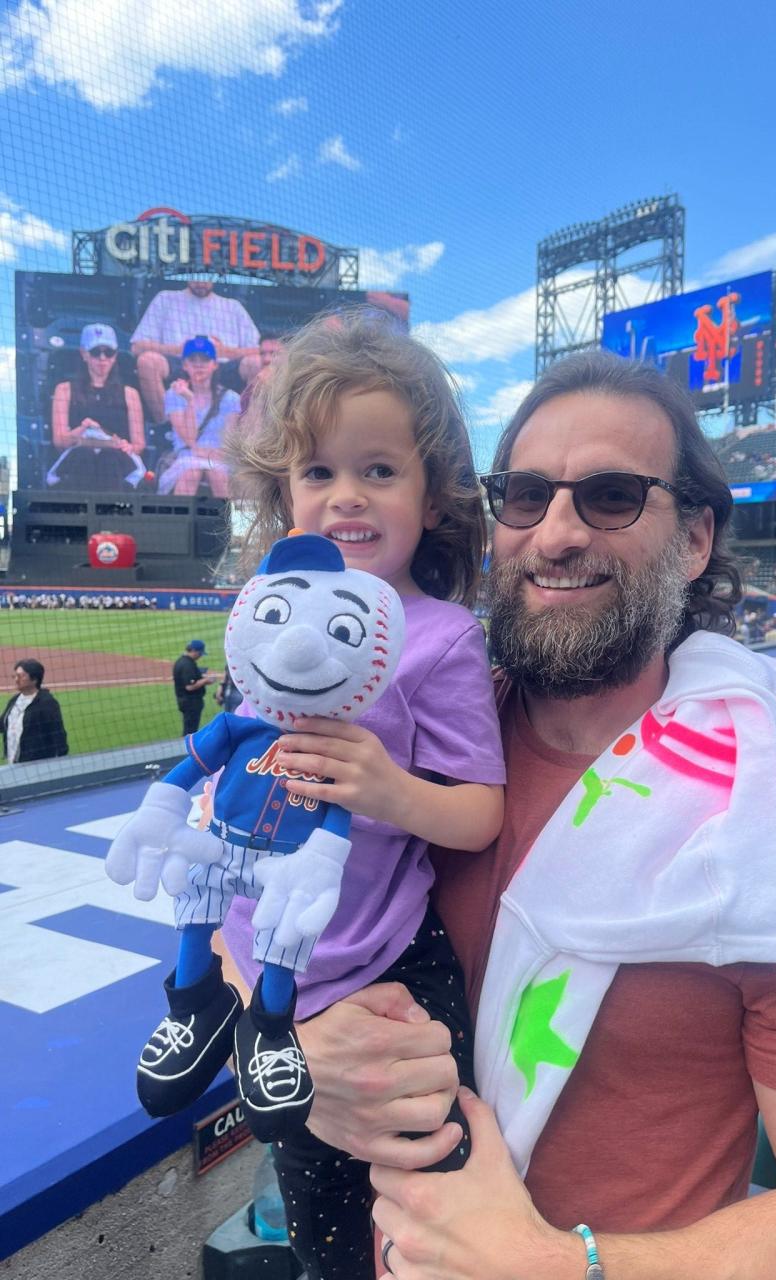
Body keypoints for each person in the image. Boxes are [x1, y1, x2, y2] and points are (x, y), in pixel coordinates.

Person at [242, 352, 776, 1280]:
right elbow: (238, 889)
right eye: (525, 495)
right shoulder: (414, 746)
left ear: (695, 540)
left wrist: (556, 1265)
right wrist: (293, 1054)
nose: (557, 533)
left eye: (611, 496)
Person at [215, 312, 505, 1277]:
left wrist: (389, 790)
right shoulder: (267, 626)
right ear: (285, 496)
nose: (348, 496)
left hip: (389, 961)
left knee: (427, 1200)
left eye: (379, 470)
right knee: (319, 1225)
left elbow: (478, 810)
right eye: (320, 472)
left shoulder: (442, 636)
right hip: (271, 961)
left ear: (433, 497)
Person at [131, 277, 260, 421]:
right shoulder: (165, 298)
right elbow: (137, 346)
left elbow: (260, 350)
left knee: (256, 363)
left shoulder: (232, 306)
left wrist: (227, 352)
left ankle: (246, 428)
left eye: (206, 277)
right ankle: (168, 426)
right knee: (147, 361)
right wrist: (177, 349)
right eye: (196, 277)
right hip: (180, 365)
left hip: (221, 367)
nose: (201, 283)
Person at [48, 323, 146, 491]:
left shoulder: (130, 394)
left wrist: (128, 446)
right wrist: (81, 429)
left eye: (108, 352)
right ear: (84, 354)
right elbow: (59, 441)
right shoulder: (64, 390)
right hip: (79, 456)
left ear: (115, 356)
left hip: (116, 459)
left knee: (109, 458)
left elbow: (139, 444)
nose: (102, 358)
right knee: (84, 456)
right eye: (96, 352)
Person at [157, 336, 241, 496]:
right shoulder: (174, 394)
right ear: (184, 365)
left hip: (219, 459)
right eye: (193, 360)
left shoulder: (231, 398)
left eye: (204, 359)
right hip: (185, 458)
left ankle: (227, 521)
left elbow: (229, 441)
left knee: (217, 475)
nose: (198, 365)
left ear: (214, 365)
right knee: (192, 473)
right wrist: (190, 400)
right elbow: (189, 438)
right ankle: (179, 520)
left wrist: (210, 454)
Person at [2, 659, 68, 762]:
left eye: (21, 676)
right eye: (15, 676)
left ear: (34, 679)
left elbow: (58, 734)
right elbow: (3, 724)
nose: (16, 679)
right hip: (14, 761)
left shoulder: (47, 703)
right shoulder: (15, 700)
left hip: (37, 763)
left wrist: (60, 760)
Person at [172, 639, 218, 736]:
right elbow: (190, 686)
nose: (200, 656)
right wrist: (206, 680)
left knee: (190, 728)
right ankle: (187, 749)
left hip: (186, 701)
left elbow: (195, 676)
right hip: (190, 703)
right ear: (193, 651)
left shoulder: (182, 661)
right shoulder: (187, 665)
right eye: (200, 653)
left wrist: (204, 678)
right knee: (190, 731)